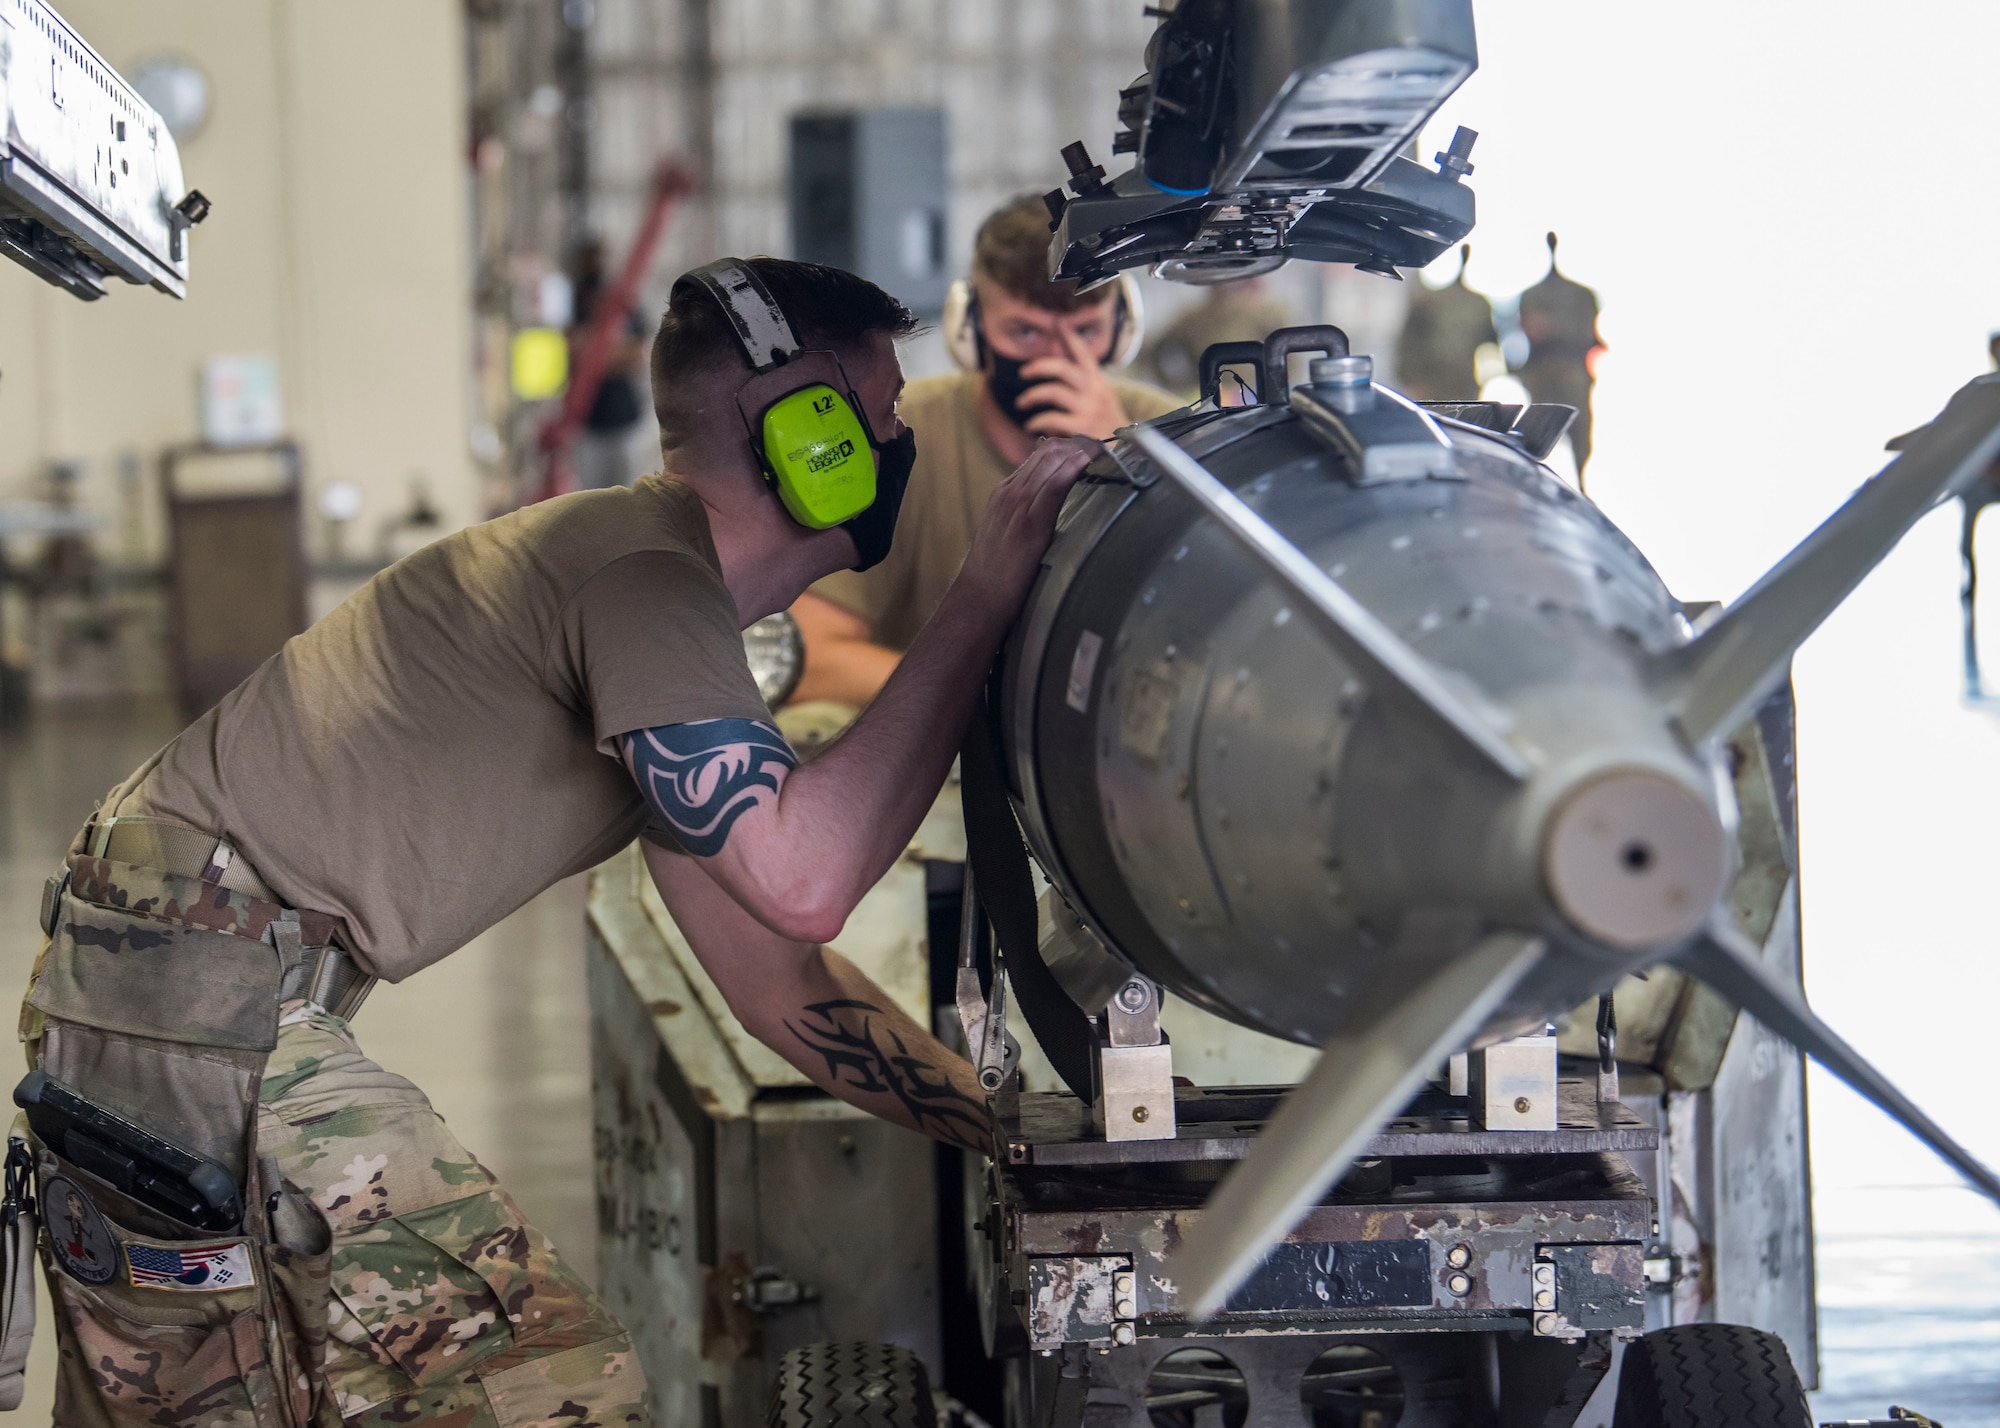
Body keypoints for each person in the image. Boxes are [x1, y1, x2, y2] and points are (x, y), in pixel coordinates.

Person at [20, 257, 1092, 1427]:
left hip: (166, 978)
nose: (898, 444)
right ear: (806, 431)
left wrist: (1005, 1129)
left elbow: (776, 981)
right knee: (549, 1384)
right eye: (880, 415)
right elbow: (803, 881)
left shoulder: (659, 615)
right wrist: (982, 590)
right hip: (193, 985)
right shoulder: (644, 580)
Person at [788, 195, 1181, 707]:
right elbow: (815, 663)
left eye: (1085, 332)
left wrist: (1130, 463)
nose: (1060, 359)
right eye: (1026, 332)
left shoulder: (1174, 441)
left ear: (1122, 329)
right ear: (969, 328)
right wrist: (1003, 703)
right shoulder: (891, 437)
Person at [1513, 232, 1606, 474]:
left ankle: (1581, 482)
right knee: (1536, 437)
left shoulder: (1582, 296)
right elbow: (1523, 333)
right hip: (1542, 375)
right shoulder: (1531, 296)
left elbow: (1588, 335)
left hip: (1572, 374)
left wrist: (1551, 329)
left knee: (1580, 436)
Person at [568, 238, 653, 490]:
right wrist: (612, 354)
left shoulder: (624, 300)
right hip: (585, 422)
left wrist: (596, 358)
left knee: (625, 493)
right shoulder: (572, 297)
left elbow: (639, 353)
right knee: (588, 496)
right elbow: (570, 351)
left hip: (624, 418)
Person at [1135, 275, 1297, 401]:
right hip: (1206, 397)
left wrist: (1276, 390)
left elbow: (1289, 355)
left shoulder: (1266, 312)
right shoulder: (1193, 317)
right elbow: (1156, 349)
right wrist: (1177, 386)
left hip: (1254, 395)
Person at [1394, 244, 1498, 402]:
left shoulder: (1479, 304)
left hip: (1463, 385)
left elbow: (1490, 345)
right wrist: (1412, 381)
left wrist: (1488, 379)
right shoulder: (1428, 303)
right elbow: (1409, 343)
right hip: (1430, 383)